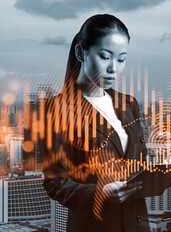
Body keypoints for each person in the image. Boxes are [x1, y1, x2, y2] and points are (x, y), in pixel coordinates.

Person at [40, 14, 151, 232]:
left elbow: (140, 161)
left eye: (121, 59)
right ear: (81, 53)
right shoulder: (58, 109)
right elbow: (55, 182)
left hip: (136, 224)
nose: (114, 68)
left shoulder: (129, 104)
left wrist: (164, 173)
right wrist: (99, 193)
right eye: (105, 56)